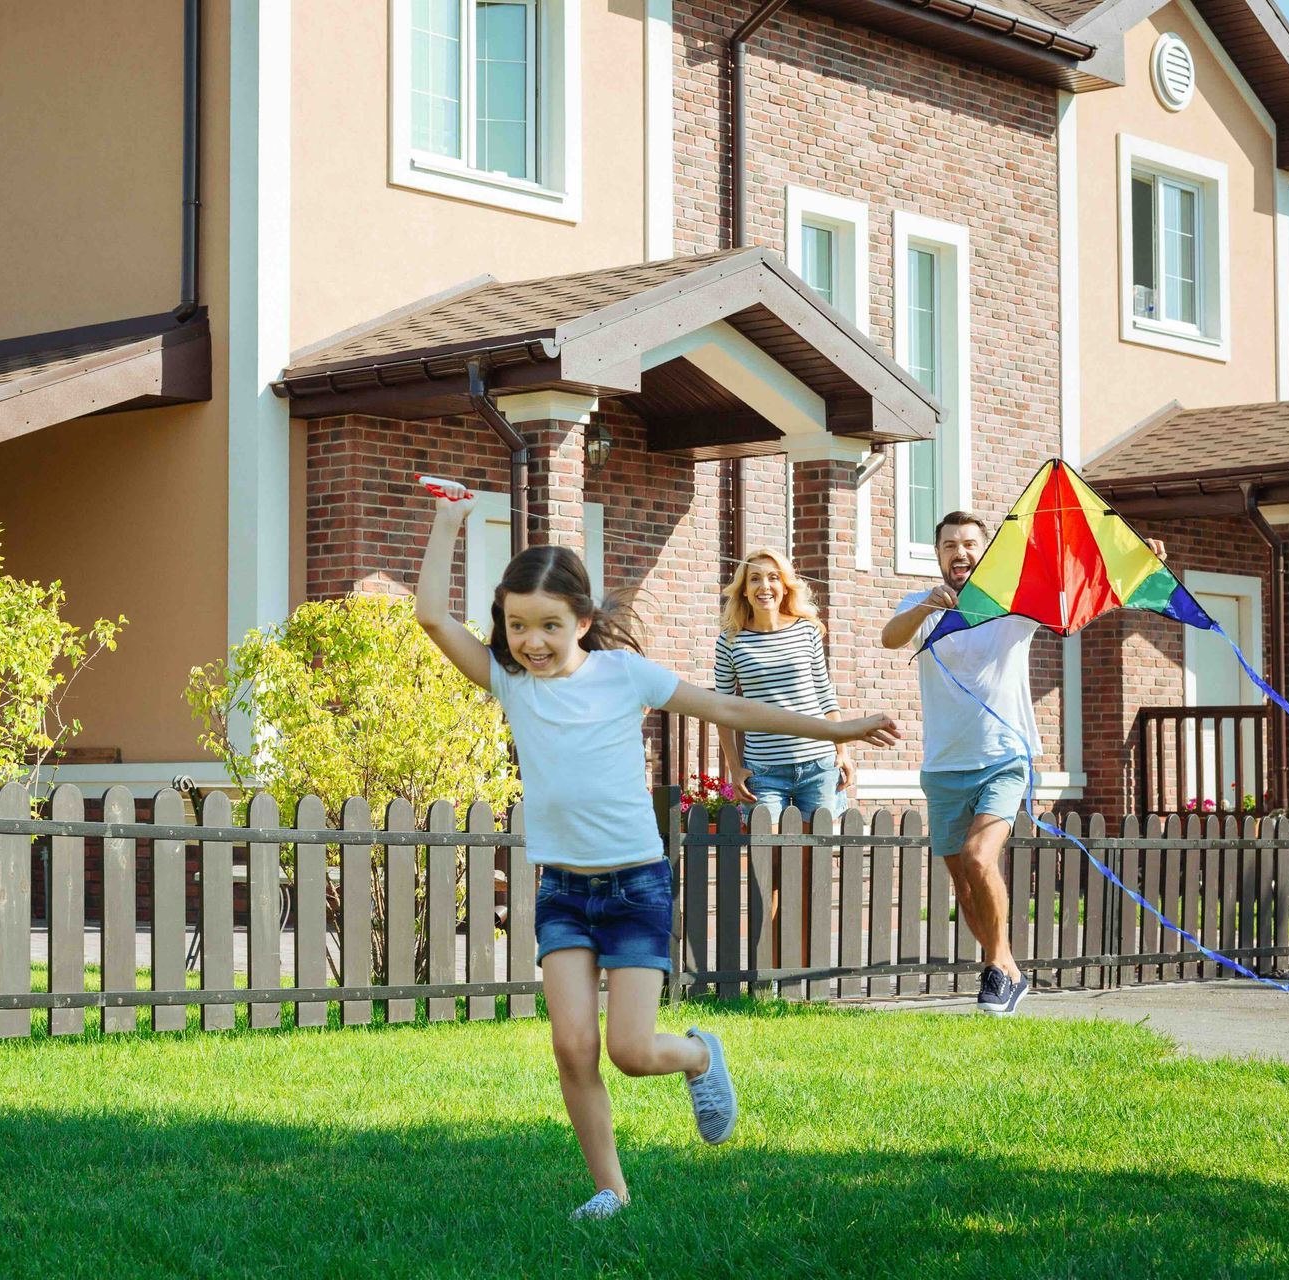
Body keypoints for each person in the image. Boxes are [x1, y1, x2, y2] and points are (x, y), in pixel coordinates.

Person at [416, 478, 901, 1221]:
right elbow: (427, 617)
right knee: (573, 1046)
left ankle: (701, 1055)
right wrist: (450, 522)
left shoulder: (624, 675)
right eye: (517, 627)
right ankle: (611, 1189)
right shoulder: (511, 683)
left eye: (548, 624)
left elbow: (730, 706)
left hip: (635, 887)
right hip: (563, 894)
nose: (532, 642)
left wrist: (839, 731)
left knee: (632, 1051)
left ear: (582, 620)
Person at [880, 511, 1164, 1017]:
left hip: (1004, 757)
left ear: (985, 553)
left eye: (969, 543)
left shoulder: (1013, 607)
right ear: (938, 554)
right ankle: (1005, 968)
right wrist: (926, 603)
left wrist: (1136, 567)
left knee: (978, 857)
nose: (959, 552)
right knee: (964, 883)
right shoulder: (922, 606)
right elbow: (889, 637)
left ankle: (999, 966)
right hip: (944, 764)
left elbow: (1082, 597)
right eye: (949, 545)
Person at [713, 547, 854, 821]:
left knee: (813, 860)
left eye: (773, 577)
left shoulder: (806, 630)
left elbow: (825, 695)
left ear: (785, 586)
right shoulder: (729, 641)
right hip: (764, 770)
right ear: (743, 589)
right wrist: (734, 766)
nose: (765, 586)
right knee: (768, 859)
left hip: (818, 764)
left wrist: (843, 752)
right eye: (755, 579)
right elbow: (722, 709)